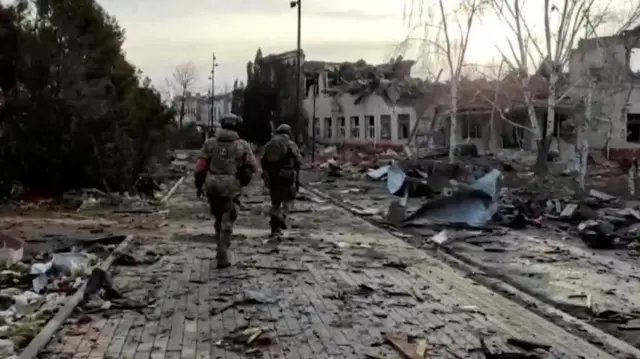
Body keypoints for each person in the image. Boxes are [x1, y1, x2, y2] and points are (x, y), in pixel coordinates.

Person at [194, 113, 257, 268]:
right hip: (230, 185)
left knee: (217, 217)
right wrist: (242, 182)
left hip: (212, 183)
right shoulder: (242, 145)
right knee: (227, 220)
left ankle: (218, 246)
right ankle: (222, 254)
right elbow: (251, 167)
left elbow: (201, 167)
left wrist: (199, 185)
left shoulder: (210, 143)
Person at [261, 124, 302, 236]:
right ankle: (282, 215)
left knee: (275, 201)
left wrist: (266, 176)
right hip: (286, 175)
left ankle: (274, 228)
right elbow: (298, 159)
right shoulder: (290, 143)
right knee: (289, 199)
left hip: (272, 177)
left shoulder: (269, 144)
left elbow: (263, 160)